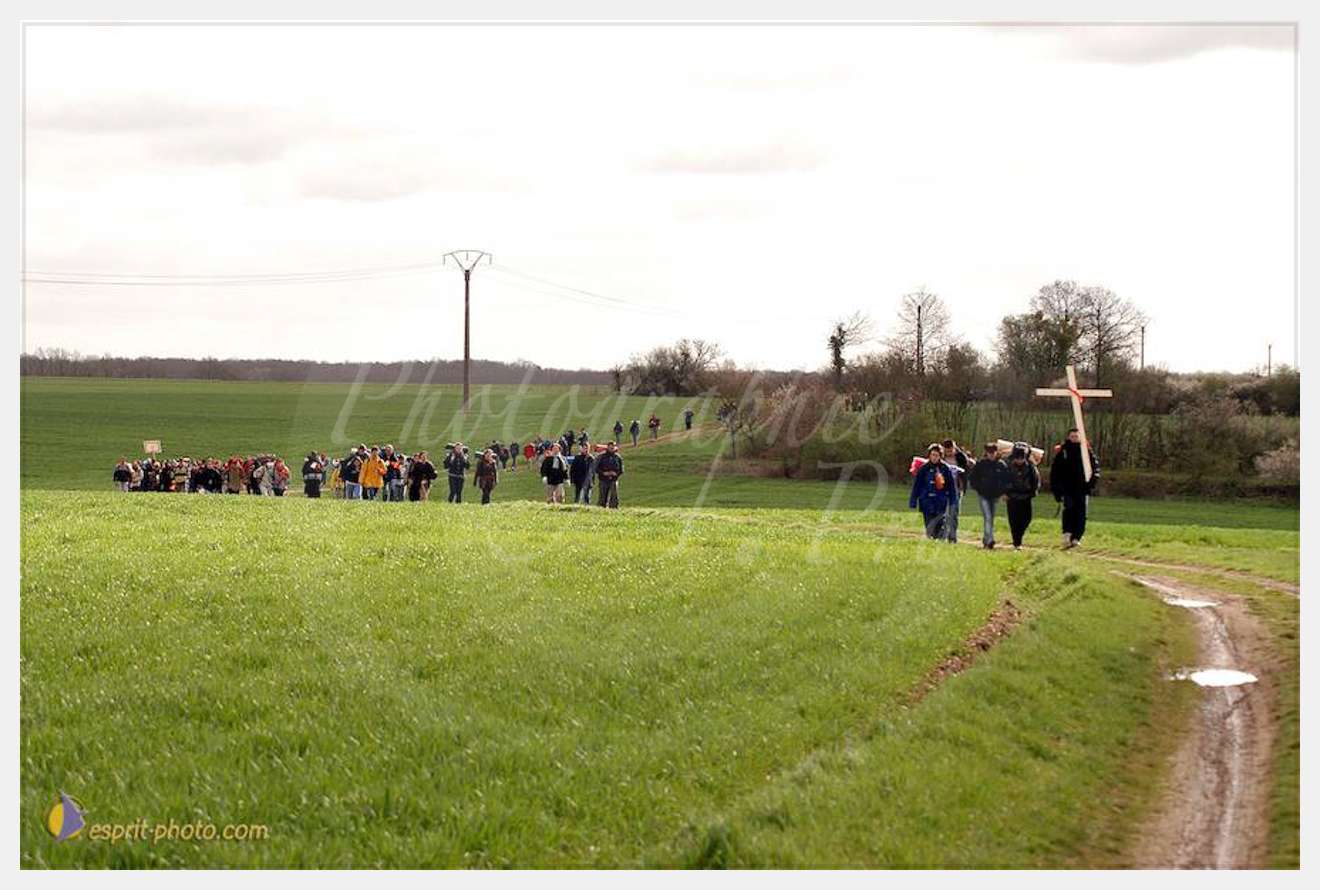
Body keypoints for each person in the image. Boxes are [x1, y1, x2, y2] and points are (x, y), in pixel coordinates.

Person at [1050, 427, 1099, 549]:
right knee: (1069, 510)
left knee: (1081, 513)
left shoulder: (1086, 452)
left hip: (1082, 489)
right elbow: (1055, 472)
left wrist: (1091, 482)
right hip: (1067, 489)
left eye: (1076, 437)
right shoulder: (1063, 452)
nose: (1074, 439)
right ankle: (1067, 534)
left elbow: (1095, 469)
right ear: (1068, 437)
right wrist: (1057, 490)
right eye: (1072, 436)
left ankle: (1077, 538)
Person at [909, 443, 957, 540]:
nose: (934, 457)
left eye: (937, 455)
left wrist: (953, 500)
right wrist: (913, 500)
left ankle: (939, 538)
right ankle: (932, 538)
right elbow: (917, 485)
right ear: (929, 455)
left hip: (940, 501)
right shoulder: (923, 469)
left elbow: (951, 486)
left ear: (940, 456)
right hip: (926, 501)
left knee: (940, 523)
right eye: (932, 455)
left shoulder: (945, 469)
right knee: (929, 524)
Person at [966, 442, 1008, 549]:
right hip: (983, 495)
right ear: (986, 453)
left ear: (996, 452)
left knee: (991, 518)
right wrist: (979, 488)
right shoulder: (981, 464)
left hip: (995, 496)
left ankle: (986, 538)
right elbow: (973, 479)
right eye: (989, 453)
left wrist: (1002, 492)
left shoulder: (1001, 465)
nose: (991, 455)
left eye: (993, 452)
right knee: (988, 517)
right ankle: (990, 540)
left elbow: (1005, 480)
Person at [1004, 442, 1041, 550]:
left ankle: (1019, 537)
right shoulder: (1007, 465)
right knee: (1014, 520)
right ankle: (1017, 542)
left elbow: (1036, 479)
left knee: (1027, 518)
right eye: (1017, 458)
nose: (1019, 461)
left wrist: (1034, 491)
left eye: (1021, 458)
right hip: (1011, 496)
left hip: (1026, 496)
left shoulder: (1030, 466)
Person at [595, 441, 624, 508]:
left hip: (614, 479)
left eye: (613, 447)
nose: (612, 449)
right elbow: (596, 468)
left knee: (614, 495)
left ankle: (614, 508)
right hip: (603, 479)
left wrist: (615, 473)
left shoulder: (618, 457)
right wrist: (603, 473)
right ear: (607, 447)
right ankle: (601, 508)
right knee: (602, 496)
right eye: (610, 447)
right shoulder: (601, 457)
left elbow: (621, 469)